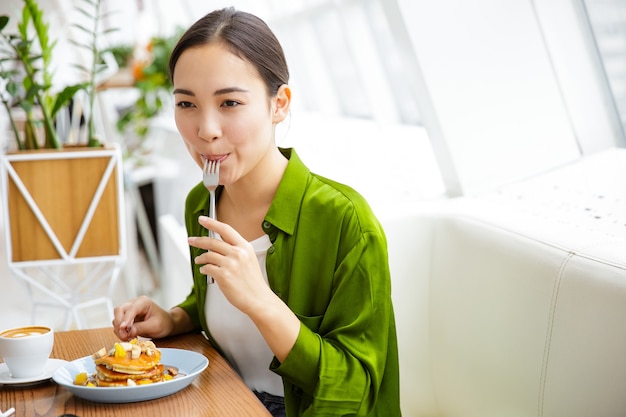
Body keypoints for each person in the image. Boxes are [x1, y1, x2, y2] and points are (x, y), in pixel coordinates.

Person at [112, 7, 402, 417]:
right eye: (186, 103)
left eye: (229, 102)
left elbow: (354, 391)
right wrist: (174, 318)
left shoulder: (345, 221)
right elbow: (214, 301)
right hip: (226, 400)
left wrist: (262, 302)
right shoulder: (203, 201)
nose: (206, 129)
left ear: (278, 104)